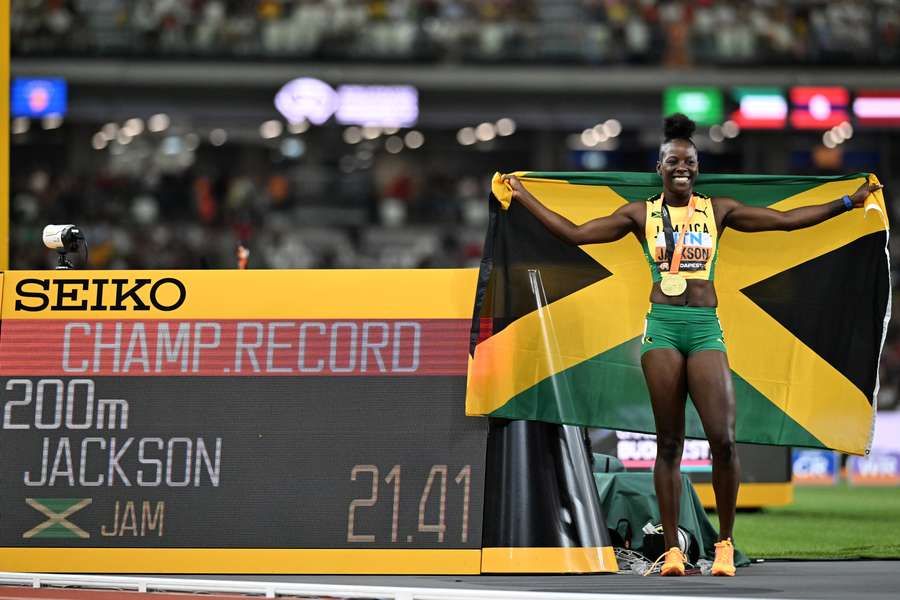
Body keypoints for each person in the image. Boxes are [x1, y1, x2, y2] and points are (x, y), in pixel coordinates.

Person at [501, 113, 883, 577]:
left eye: (690, 162)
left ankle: (724, 544)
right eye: (673, 161)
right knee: (669, 442)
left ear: (696, 168)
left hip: (704, 328)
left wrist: (848, 200)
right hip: (661, 327)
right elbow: (577, 234)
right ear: (659, 168)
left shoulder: (716, 210)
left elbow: (784, 222)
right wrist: (523, 196)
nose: (682, 167)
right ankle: (674, 551)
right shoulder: (639, 213)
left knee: (722, 438)